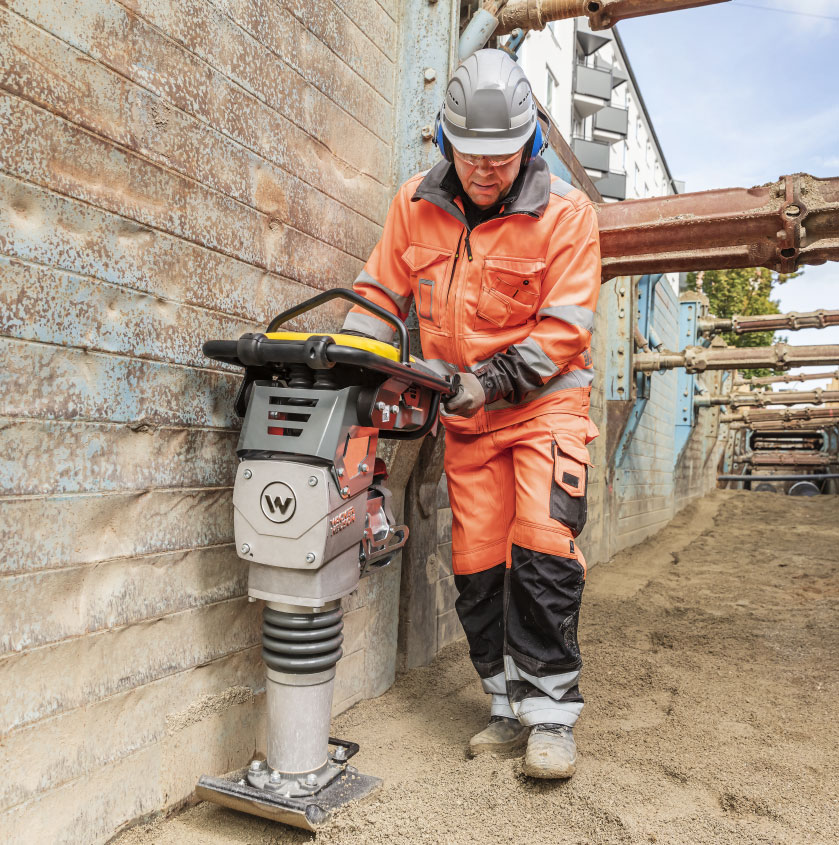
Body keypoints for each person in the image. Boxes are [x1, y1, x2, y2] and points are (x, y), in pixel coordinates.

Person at [342, 49, 601, 779]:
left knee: (543, 547)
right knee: (477, 564)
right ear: (444, 139)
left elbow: (562, 330)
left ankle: (549, 716)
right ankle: (503, 702)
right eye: (471, 153)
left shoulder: (566, 215)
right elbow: (376, 296)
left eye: (502, 154)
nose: (486, 168)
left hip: (541, 407)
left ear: (531, 142)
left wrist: (484, 381)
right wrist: (349, 361)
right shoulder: (412, 204)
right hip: (465, 420)